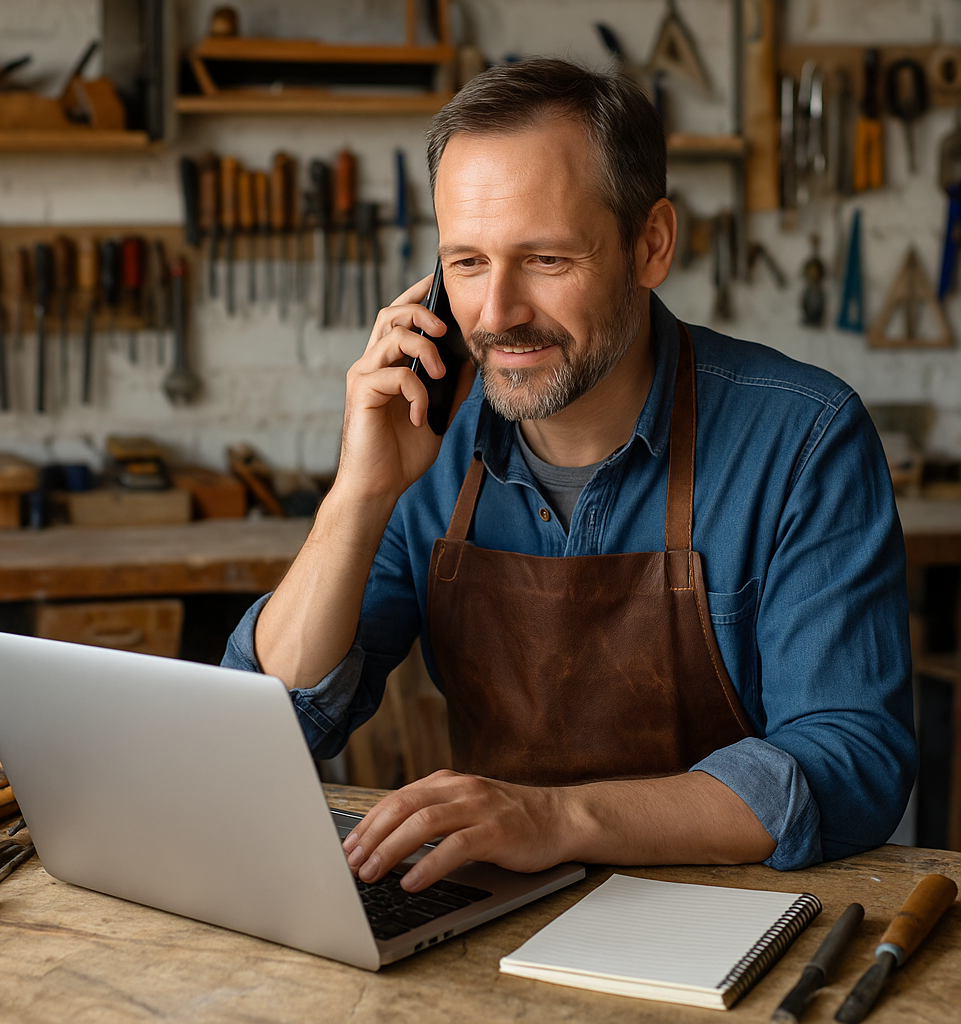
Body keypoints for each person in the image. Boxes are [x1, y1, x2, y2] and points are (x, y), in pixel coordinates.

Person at [223, 58, 916, 893]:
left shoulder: (803, 436)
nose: (497, 313)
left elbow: (851, 762)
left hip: (730, 918)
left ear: (650, 244)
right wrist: (361, 492)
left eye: (546, 259)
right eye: (468, 263)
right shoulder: (430, 441)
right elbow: (275, 729)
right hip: (493, 917)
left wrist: (557, 819)